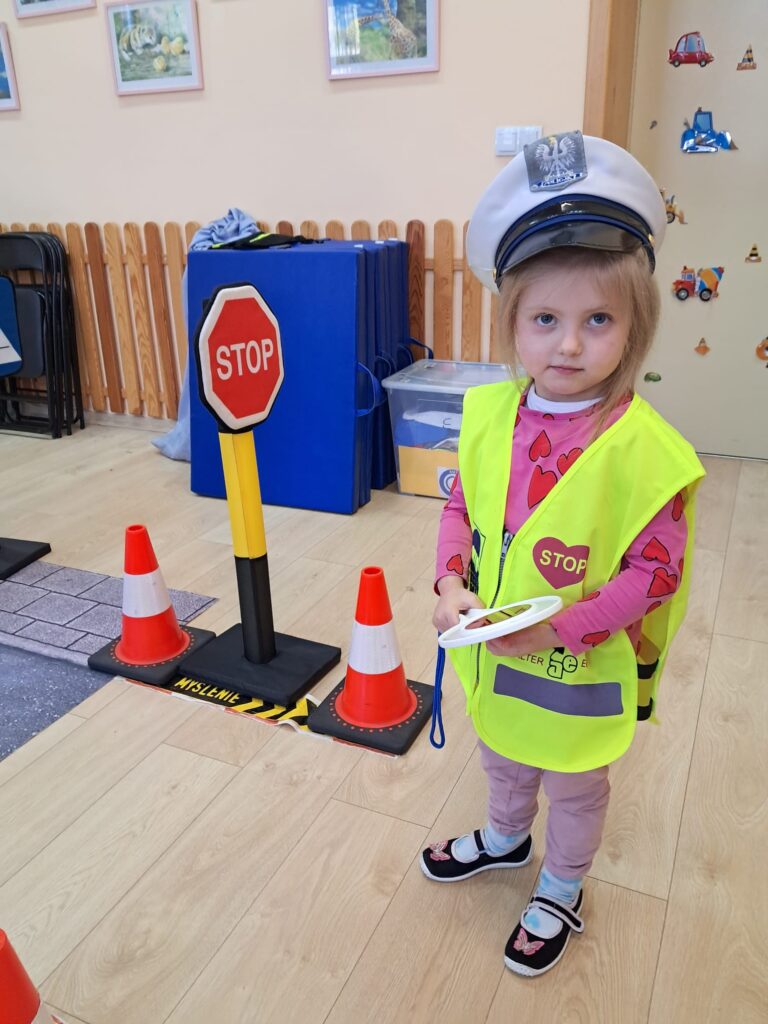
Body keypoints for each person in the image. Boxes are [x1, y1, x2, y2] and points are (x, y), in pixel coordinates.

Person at [420, 131, 705, 977]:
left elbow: (654, 575)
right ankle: (507, 838)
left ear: (635, 326)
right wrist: (448, 583)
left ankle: (561, 885)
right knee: (502, 753)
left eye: (597, 321)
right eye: (546, 319)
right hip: (493, 657)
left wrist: (556, 630)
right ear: (513, 322)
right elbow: (462, 508)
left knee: (575, 783)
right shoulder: (488, 416)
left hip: (575, 668)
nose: (569, 345)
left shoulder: (647, 451)